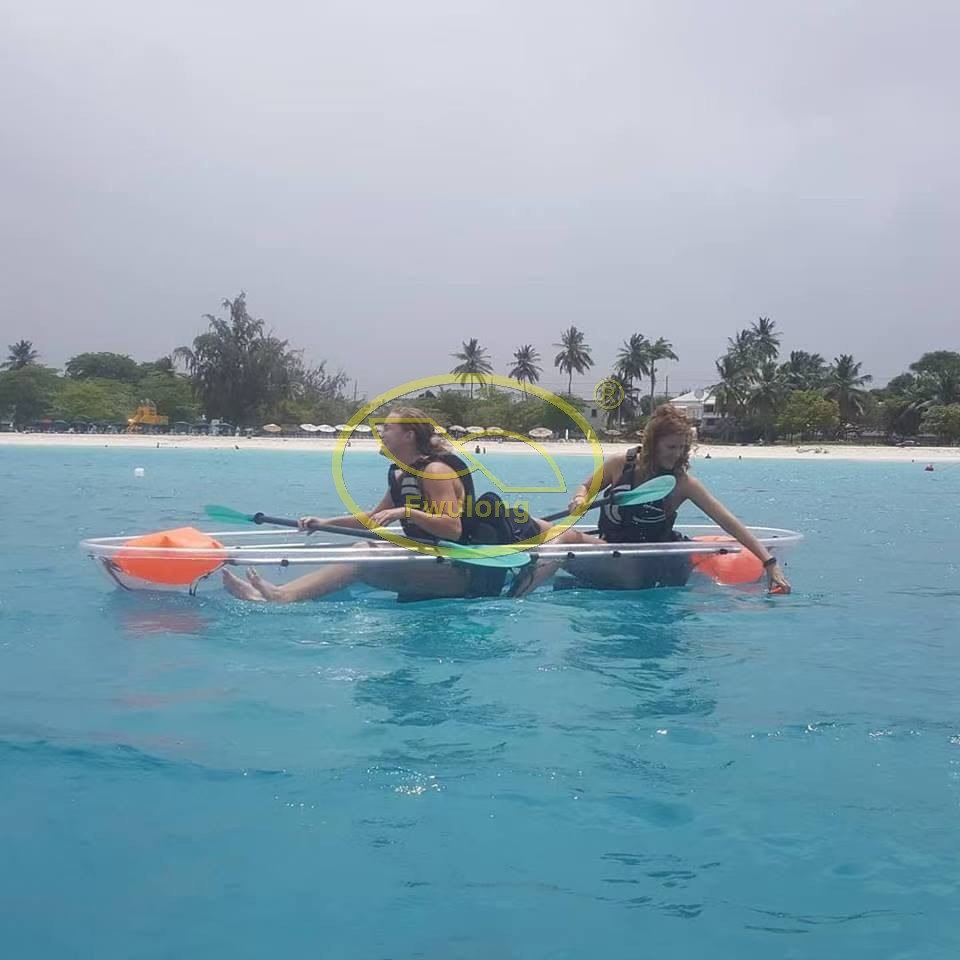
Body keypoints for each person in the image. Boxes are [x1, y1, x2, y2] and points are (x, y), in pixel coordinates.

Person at [223, 407, 542, 603]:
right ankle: (276, 594)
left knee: (364, 555)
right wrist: (324, 522)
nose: (381, 433)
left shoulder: (435, 471)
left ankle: (283, 596)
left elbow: (452, 527)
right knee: (365, 546)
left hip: (466, 572)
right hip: (436, 563)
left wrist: (405, 512)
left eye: (387, 428)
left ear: (408, 435)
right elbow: (374, 520)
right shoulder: (402, 475)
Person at [564, 405, 791, 593]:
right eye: (671, 447)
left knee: (570, 543)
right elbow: (585, 487)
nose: (677, 454)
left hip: (647, 569)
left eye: (682, 447)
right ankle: (528, 582)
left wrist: (769, 562)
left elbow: (728, 522)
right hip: (611, 551)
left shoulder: (683, 484)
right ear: (653, 444)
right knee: (553, 533)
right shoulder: (619, 464)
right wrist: (579, 499)